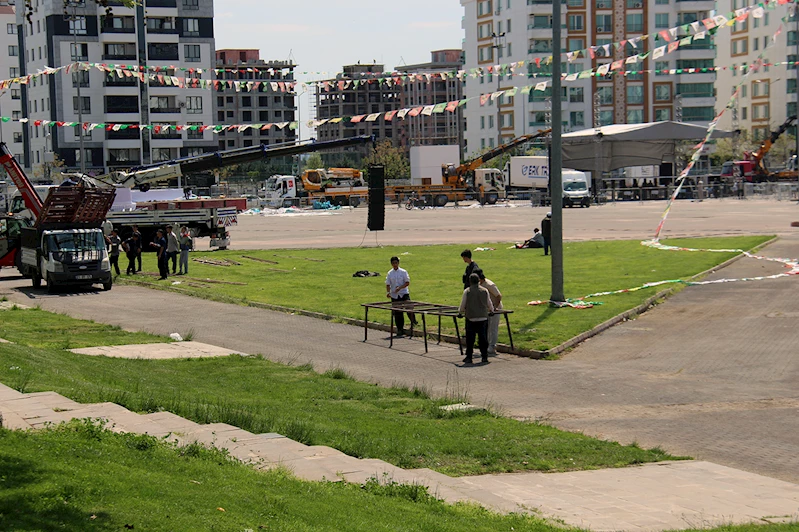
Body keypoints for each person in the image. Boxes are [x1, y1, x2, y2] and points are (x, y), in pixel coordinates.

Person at [458, 272, 494, 365]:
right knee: (483, 338)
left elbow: (463, 304)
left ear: (470, 281)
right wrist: (491, 310)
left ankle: (469, 357)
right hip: (483, 318)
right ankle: (484, 356)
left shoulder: (467, 291)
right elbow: (489, 303)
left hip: (471, 317)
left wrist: (460, 312)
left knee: (470, 339)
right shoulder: (484, 291)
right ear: (478, 281)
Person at [385, 256, 417, 337]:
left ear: (398, 263)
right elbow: (388, 284)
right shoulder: (390, 273)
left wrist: (400, 288)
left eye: (396, 263)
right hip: (395, 295)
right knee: (397, 312)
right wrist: (388, 292)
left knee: (409, 308)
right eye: (393, 263)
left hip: (404, 293)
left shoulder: (403, 272)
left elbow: (407, 282)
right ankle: (400, 329)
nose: (395, 265)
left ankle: (414, 322)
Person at [475, 269, 502, 356]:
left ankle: (492, 346)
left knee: (493, 328)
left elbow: (498, 295)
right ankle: (487, 345)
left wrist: (495, 307)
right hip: (486, 309)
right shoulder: (480, 284)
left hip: (494, 308)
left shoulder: (489, 284)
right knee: (486, 327)